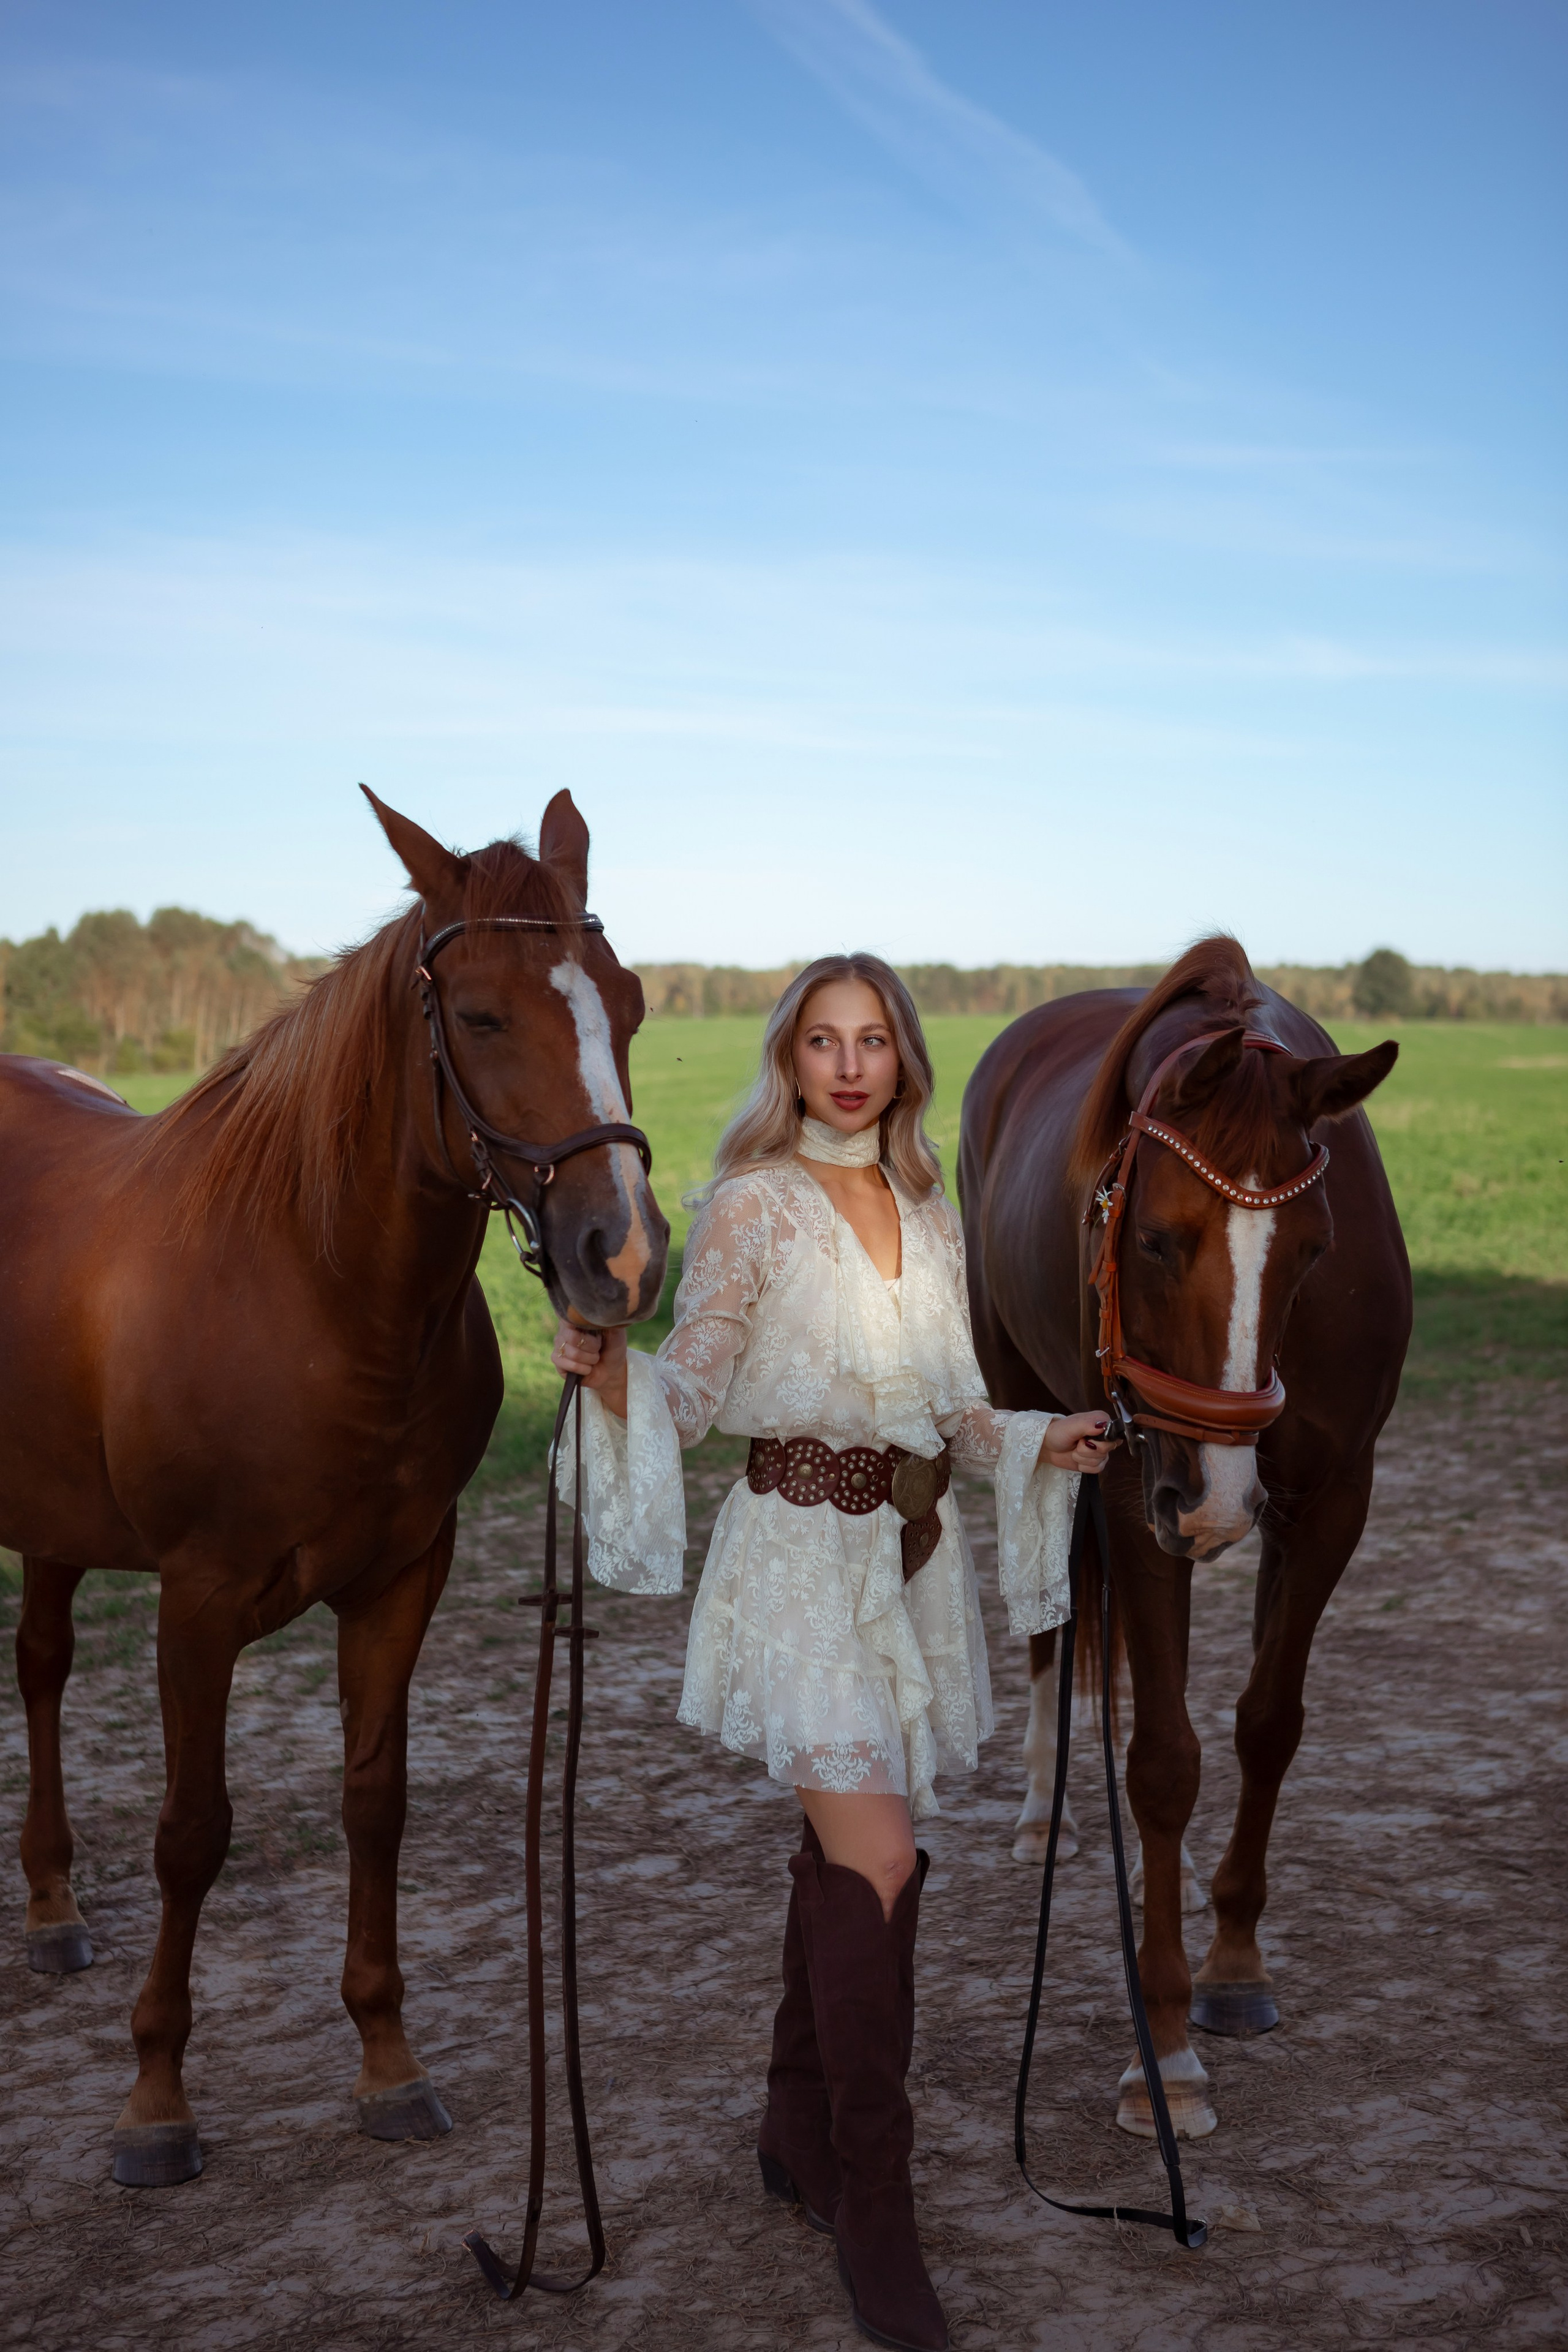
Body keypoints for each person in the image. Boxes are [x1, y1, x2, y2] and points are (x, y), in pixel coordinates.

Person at [553, 954, 1112, 2352]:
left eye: (871, 1041)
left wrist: (1053, 1440)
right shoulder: (751, 1207)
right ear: (790, 1061)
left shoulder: (931, 1213)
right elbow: (690, 1388)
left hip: (904, 1569)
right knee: (877, 1861)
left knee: (853, 1859)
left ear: (903, 1060)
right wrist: (616, 1372)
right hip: (795, 1562)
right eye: (821, 1041)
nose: (849, 1065)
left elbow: (961, 1417)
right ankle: (877, 2206)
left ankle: (794, 2128)